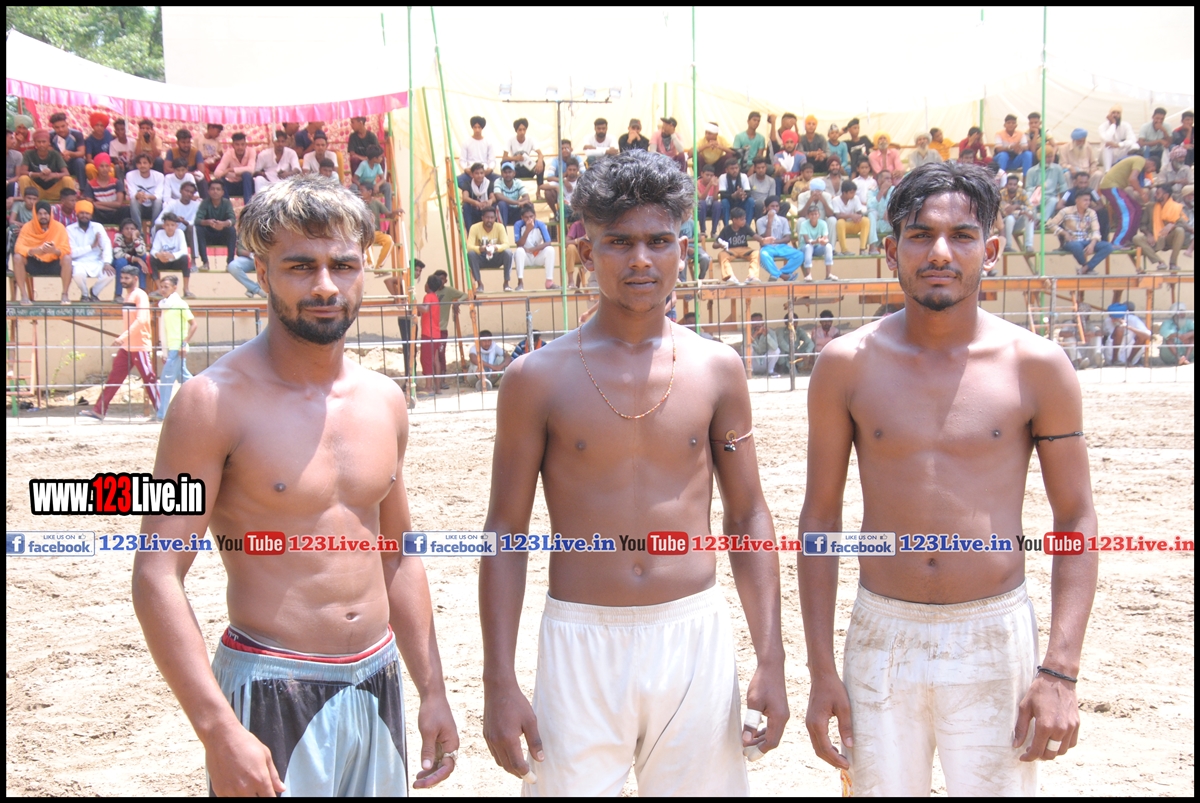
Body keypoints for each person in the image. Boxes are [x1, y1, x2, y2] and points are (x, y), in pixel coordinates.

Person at [129, 175, 458, 794]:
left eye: (343, 265)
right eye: (301, 266)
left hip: (378, 678)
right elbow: (157, 573)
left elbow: (397, 554)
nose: (326, 286)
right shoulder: (210, 404)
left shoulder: (385, 399)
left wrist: (432, 689)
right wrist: (217, 729)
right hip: (270, 684)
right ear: (263, 272)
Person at [479, 150, 787, 797]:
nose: (640, 260)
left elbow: (748, 514)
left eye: (657, 241)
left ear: (683, 250)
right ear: (585, 252)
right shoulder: (537, 378)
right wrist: (499, 679)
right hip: (581, 637)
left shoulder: (716, 369)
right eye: (619, 242)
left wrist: (771, 654)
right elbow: (505, 532)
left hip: (693, 634)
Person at [799, 160, 1097, 796]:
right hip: (881, 635)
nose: (940, 252)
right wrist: (821, 670)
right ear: (891, 251)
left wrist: (1060, 670)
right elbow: (821, 520)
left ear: (990, 250)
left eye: (961, 235)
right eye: (919, 234)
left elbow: (1074, 517)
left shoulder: (1036, 366)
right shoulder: (845, 365)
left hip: (994, 632)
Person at [12, 200, 73, 304]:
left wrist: (54, 251)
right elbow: (18, 248)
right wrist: (34, 251)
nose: (43, 216)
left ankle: (65, 295)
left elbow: (66, 249)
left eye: (45, 213)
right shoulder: (27, 227)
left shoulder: (59, 227)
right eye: (39, 214)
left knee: (67, 258)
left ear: (50, 214)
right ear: (35, 215)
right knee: (17, 257)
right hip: (34, 262)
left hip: (53, 263)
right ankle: (24, 296)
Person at [154, 273, 197, 420]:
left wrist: (184, 343)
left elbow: (194, 324)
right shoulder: (165, 305)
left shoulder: (180, 304)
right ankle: (203, 397)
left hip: (177, 347)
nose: (163, 290)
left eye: (166, 287)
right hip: (171, 347)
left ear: (174, 288)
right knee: (186, 379)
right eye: (161, 287)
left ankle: (162, 414)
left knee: (166, 381)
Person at [1048, 192, 1112, 274]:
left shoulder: (1091, 212)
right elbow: (1051, 224)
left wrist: (1092, 244)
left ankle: (1084, 269)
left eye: (1089, 200)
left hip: (1087, 241)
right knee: (1076, 246)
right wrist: (1064, 233)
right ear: (1077, 201)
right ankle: (1086, 268)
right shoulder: (1066, 211)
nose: (1088, 202)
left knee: (1108, 246)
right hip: (1072, 241)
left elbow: (1096, 230)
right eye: (1085, 200)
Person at [1131, 184, 1190, 272]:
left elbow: (1184, 224)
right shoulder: (1150, 207)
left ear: (1165, 195)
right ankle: (1160, 262)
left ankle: (1173, 263)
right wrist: (1148, 235)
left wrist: (1172, 225)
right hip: (1154, 238)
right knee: (1136, 238)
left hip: (1169, 238)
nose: (1155, 195)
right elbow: (1142, 225)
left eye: (1158, 193)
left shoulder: (1176, 207)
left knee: (1180, 230)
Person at [66, 199, 114, 302]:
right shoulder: (70, 229)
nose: (84, 216)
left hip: (96, 261)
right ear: (77, 214)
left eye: (87, 213)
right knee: (78, 274)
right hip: (78, 262)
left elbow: (106, 245)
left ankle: (94, 292)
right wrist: (91, 247)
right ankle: (84, 294)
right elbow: (72, 252)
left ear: (91, 215)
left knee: (110, 274)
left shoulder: (98, 227)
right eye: (82, 213)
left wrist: (107, 262)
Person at [1098, 152, 1148, 248]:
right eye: (1152, 169)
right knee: (1128, 211)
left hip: (1116, 187)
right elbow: (1133, 179)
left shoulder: (1135, 161)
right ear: (1152, 163)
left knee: (1137, 208)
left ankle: (1129, 239)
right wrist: (1142, 193)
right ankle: (1117, 242)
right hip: (1111, 186)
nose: (1149, 171)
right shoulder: (1141, 160)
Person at [18, 129, 77, 201]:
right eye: (38, 142)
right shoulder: (28, 154)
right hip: (35, 192)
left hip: (54, 190)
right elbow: (23, 172)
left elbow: (66, 173)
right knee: (23, 178)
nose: (41, 144)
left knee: (67, 179)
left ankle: (69, 202)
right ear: (35, 143)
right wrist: (38, 175)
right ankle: (26, 202)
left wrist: (53, 175)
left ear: (48, 142)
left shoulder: (55, 154)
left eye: (44, 142)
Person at [756, 197, 804, 280]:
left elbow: (787, 238)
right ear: (767, 208)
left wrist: (775, 241)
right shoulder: (760, 221)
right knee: (763, 255)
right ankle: (783, 276)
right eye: (772, 206)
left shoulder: (783, 220)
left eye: (777, 206)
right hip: (768, 247)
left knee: (800, 255)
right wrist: (770, 221)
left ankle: (778, 273)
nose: (775, 208)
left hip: (781, 246)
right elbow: (766, 238)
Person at [466, 205, 512, 292]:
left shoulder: (500, 227)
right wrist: (480, 248)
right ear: (482, 218)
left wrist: (495, 247)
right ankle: (480, 284)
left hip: (496, 257)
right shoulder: (474, 227)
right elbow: (469, 247)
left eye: (492, 218)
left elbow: (506, 244)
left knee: (508, 253)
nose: (489, 220)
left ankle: (506, 283)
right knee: (471, 254)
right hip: (481, 257)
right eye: (487, 217)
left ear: (495, 218)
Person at [194, 181, 238, 271]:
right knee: (198, 229)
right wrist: (208, 222)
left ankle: (230, 263)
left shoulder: (226, 203)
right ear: (208, 191)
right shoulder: (205, 203)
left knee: (231, 230)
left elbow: (232, 219)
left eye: (218, 189)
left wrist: (223, 224)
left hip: (222, 235)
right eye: (212, 189)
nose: (215, 191)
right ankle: (205, 263)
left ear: (222, 192)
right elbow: (197, 220)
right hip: (209, 235)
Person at [513, 204, 557, 291]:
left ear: (535, 216)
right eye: (526, 217)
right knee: (519, 251)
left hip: (537, 256)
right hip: (525, 257)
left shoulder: (540, 224)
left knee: (550, 250)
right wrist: (528, 230)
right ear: (522, 218)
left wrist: (533, 249)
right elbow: (519, 244)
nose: (529, 219)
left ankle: (549, 282)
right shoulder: (518, 225)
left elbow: (548, 243)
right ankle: (520, 283)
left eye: (531, 216)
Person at [149, 212, 194, 298]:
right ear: (163, 226)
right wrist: (159, 255)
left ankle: (186, 289)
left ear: (176, 226)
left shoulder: (180, 233)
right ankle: (159, 289)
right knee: (150, 258)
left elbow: (184, 251)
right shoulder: (160, 233)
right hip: (163, 261)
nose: (170, 227)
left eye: (172, 225)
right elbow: (153, 250)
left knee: (186, 258)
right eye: (167, 225)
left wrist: (172, 255)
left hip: (175, 262)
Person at [155, 179, 201, 260]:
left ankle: (193, 260)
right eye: (186, 191)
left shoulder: (196, 205)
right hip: (171, 231)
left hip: (186, 233)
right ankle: (157, 255)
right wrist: (174, 219)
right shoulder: (173, 203)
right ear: (181, 191)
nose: (188, 194)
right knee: (158, 226)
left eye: (191, 193)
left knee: (192, 228)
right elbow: (158, 221)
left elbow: (193, 222)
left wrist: (183, 221)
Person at [1059, 169, 1109, 239]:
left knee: (1103, 212)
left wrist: (1088, 211)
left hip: (1087, 216)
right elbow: (1059, 205)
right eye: (1081, 183)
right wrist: (1073, 211)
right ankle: (1064, 242)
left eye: (1085, 183)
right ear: (1075, 182)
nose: (1083, 185)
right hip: (1072, 216)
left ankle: (1103, 239)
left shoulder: (1092, 191)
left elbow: (1101, 205)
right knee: (1060, 214)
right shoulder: (1069, 192)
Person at [715, 207, 761, 285]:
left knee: (756, 253)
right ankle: (730, 277)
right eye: (742, 219)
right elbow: (714, 245)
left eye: (744, 219)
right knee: (721, 255)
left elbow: (755, 236)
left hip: (744, 249)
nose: (744, 221)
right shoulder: (726, 229)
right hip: (731, 250)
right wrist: (720, 245)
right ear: (734, 220)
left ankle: (752, 276)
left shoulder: (745, 227)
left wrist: (763, 240)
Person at [542, 140, 585, 220]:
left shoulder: (577, 158)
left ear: (571, 149)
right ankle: (556, 214)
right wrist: (563, 180)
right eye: (562, 148)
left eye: (567, 148)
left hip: (575, 185)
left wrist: (573, 176)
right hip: (560, 185)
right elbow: (549, 178)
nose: (564, 150)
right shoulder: (555, 160)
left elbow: (584, 174)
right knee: (548, 192)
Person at [125, 153, 166, 237]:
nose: (142, 165)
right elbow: (132, 194)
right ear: (136, 165)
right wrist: (139, 195)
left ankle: (154, 230)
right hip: (139, 205)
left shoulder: (159, 176)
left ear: (151, 164)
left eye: (145, 163)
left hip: (154, 207)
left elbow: (158, 195)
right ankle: (138, 231)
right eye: (139, 163)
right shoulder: (130, 175)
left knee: (158, 202)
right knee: (133, 201)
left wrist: (147, 196)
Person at [1104, 301, 1152, 366]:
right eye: (1111, 317)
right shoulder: (1107, 320)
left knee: (1142, 336)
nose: (1112, 320)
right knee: (1119, 329)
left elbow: (1148, 335)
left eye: (1115, 318)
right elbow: (1106, 336)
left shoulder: (1133, 319)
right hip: (1111, 352)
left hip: (1129, 350)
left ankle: (1129, 361)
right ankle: (1115, 361)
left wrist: (1128, 327)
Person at [84, 153, 127, 225]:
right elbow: (91, 204)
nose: (104, 169)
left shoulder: (117, 182)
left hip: (115, 213)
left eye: (107, 166)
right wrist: (111, 208)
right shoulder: (90, 184)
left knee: (126, 209)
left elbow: (119, 204)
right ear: (97, 167)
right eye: (101, 166)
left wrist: (99, 203)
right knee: (89, 209)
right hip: (99, 214)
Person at [253, 130, 301, 194]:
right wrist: (266, 174)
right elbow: (255, 173)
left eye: (282, 141)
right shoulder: (264, 154)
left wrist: (288, 174)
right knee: (259, 179)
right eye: (278, 141)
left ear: (285, 142)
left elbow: (297, 170)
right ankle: (259, 200)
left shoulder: (291, 153)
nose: (280, 144)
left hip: (285, 182)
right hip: (268, 182)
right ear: (273, 141)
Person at [418, 273, 443, 394]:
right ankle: (437, 387)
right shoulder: (435, 297)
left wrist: (413, 304)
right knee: (435, 360)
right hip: (436, 333)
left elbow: (425, 309)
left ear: (427, 285)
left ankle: (428, 387)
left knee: (426, 359)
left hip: (428, 333)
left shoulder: (428, 296)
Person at [48, 112, 87, 188]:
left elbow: (81, 153)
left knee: (80, 161)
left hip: (73, 162)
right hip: (59, 163)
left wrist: (70, 154)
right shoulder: (51, 136)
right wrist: (60, 156)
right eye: (57, 127)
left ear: (67, 124)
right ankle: (53, 188)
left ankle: (83, 188)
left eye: (63, 126)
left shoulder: (77, 134)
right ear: (53, 127)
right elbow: (50, 151)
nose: (61, 129)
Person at [798, 204, 837, 281]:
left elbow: (826, 238)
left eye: (816, 214)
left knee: (828, 246)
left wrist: (823, 241)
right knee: (809, 247)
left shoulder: (823, 223)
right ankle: (808, 274)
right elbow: (806, 240)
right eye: (812, 214)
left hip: (817, 248)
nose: (814, 216)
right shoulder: (804, 224)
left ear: (819, 215)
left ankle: (828, 274)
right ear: (808, 215)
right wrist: (816, 241)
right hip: (805, 248)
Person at [213, 132, 256, 200]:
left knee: (246, 175)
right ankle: (227, 206)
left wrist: (230, 170)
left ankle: (248, 206)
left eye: (242, 144)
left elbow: (251, 169)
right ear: (232, 145)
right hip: (232, 185)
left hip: (247, 186)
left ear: (246, 145)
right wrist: (232, 174)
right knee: (220, 180)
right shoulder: (228, 154)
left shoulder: (251, 151)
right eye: (237, 144)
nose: (240, 147)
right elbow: (216, 173)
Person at [831, 181, 870, 256]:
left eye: (854, 192)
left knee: (866, 220)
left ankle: (862, 249)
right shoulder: (835, 200)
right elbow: (837, 215)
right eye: (851, 193)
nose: (853, 194)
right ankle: (844, 250)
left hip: (853, 224)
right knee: (840, 222)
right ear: (844, 193)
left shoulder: (855, 198)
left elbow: (859, 212)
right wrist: (851, 216)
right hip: (842, 228)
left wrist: (858, 217)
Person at [112, 218, 150, 291]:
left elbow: (141, 252)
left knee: (143, 257)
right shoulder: (118, 237)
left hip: (133, 262)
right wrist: (136, 259)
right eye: (126, 228)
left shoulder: (138, 238)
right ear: (122, 230)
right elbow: (118, 254)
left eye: (132, 229)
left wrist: (135, 238)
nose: (129, 231)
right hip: (120, 262)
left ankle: (142, 289)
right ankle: (118, 293)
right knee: (121, 262)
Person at [1000, 173, 1035, 254]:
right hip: (1005, 223)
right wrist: (1022, 211)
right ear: (1006, 185)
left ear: (1017, 186)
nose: (1012, 186)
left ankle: (1029, 245)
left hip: (1018, 223)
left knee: (1029, 214)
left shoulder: (1022, 193)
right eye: (1010, 184)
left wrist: (1017, 206)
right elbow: (1005, 212)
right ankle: (1008, 246)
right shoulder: (1001, 194)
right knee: (1010, 218)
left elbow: (1030, 208)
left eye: (1014, 184)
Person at [504, 118, 545, 186]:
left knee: (541, 163)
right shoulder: (510, 140)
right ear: (516, 131)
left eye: (524, 129)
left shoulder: (530, 140)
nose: (522, 132)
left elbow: (540, 154)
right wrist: (515, 158)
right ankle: (507, 188)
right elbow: (504, 157)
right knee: (504, 163)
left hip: (527, 169)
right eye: (520, 130)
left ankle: (539, 189)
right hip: (515, 170)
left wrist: (540, 161)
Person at [1099, 104, 1138, 172]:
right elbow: (1106, 139)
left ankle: (1134, 168)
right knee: (1107, 146)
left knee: (1135, 146)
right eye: (1113, 113)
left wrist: (1118, 145)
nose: (1115, 115)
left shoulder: (1126, 125)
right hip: (1108, 155)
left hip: (1121, 152)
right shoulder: (1102, 127)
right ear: (1109, 115)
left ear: (1121, 115)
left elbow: (1132, 140)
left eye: (1118, 113)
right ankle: (1107, 171)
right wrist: (1113, 124)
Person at [355, 144, 392, 209]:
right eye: (380, 157)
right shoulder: (363, 165)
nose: (382, 158)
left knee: (387, 186)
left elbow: (383, 179)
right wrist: (361, 187)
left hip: (372, 186)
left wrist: (377, 185)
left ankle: (388, 210)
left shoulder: (377, 165)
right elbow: (354, 179)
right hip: (363, 186)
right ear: (375, 158)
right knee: (353, 187)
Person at [458, 115, 496, 179]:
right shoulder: (466, 142)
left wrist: (490, 169)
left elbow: (492, 160)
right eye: (475, 127)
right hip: (471, 171)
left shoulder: (488, 142)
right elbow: (462, 160)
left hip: (484, 171)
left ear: (482, 128)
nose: (477, 130)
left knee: (499, 179)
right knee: (458, 180)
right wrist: (466, 169)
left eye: (479, 127)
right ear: (472, 128)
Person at [719, 161, 754, 229]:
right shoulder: (723, 177)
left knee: (750, 201)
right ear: (726, 170)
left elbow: (748, 192)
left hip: (741, 202)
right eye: (732, 168)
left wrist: (742, 195)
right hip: (729, 203)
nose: (735, 170)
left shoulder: (743, 176)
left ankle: (746, 227)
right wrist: (733, 196)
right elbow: (722, 194)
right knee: (724, 202)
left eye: (736, 168)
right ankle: (726, 227)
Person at [866, 170, 895, 254]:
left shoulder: (894, 190)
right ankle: (872, 247)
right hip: (876, 224)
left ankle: (897, 250)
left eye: (890, 178)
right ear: (879, 181)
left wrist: (890, 210)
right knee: (871, 213)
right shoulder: (872, 191)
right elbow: (870, 205)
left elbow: (898, 204)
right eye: (886, 178)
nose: (889, 180)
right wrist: (881, 191)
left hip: (889, 223)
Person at [460, 162, 494, 229]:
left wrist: (490, 201)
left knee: (494, 206)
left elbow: (493, 197)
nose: (479, 175)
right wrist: (476, 203)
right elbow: (465, 197)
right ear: (472, 174)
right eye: (477, 173)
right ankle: (470, 231)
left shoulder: (489, 183)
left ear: (484, 174)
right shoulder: (468, 183)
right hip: (474, 210)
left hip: (485, 209)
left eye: (481, 173)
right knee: (466, 206)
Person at [696, 163, 721, 236]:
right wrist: (709, 185)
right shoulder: (696, 183)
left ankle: (713, 232)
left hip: (711, 208)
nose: (709, 177)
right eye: (707, 175)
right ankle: (703, 231)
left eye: (711, 175)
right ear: (702, 174)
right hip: (700, 209)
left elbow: (715, 199)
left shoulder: (714, 183)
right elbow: (701, 198)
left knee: (717, 204)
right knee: (702, 203)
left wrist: (715, 187)